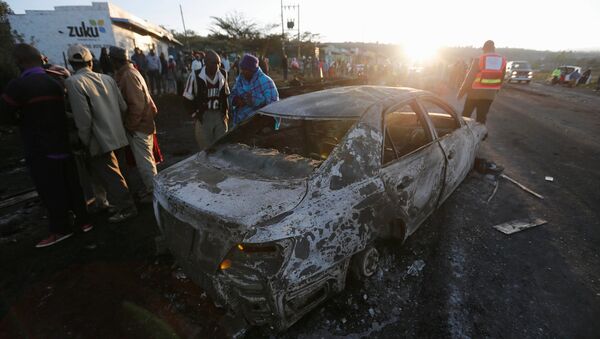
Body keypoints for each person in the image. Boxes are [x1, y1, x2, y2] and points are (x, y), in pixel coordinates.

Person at [0, 44, 91, 247]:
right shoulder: (55, 82)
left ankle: (61, 229)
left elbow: (4, 115)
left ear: (19, 63)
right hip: (63, 142)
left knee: (50, 189)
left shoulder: (18, 86)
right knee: (71, 184)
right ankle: (84, 221)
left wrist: (21, 118)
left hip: (40, 147)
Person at [64, 44, 137, 223]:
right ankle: (114, 202)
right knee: (119, 172)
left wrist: (83, 140)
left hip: (98, 139)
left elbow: (83, 117)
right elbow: (123, 107)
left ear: (71, 64)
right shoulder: (108, 79)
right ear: (90, 62)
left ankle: (127, 208)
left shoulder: (73, 82)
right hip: (117, 134)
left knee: (110, 175)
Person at [110, 46, 158, 201]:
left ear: (116, 61)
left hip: (139, 126)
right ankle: (152, 189)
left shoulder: (128, 75)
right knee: (147, 160)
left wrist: (131, 126)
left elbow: (136, 105)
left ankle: (153, 193)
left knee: (144, 162)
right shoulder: (131, 72)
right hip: (143, 123)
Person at [458, 40, 506, 124]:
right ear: (494, 48)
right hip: (489, 95)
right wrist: (495, 91)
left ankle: (464, 133)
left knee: (465, 116)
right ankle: (480, 135)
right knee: (481, 118)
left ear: (484, 49)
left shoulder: (479, 59)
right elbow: (501, 78)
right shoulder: (502, 61)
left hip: (474, 94)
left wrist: (461, 93)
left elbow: (469, 78)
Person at [191, 50, 229, 150]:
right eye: (214, 63)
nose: (217, 66)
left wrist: (225, 112)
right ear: (206, 63)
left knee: (222, 146)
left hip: (218, 114)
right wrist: (195, 114)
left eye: (218, 63)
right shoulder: (196, 76)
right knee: (206, 149)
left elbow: (225, 95)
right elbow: (187, 98)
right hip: (204, 115)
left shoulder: (222, 73)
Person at [230, 54, 279, 126]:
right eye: (242, 69)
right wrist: (236, 100)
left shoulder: (266, 82)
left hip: (258, 124)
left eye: (245, 69)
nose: (242, 72)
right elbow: (233, 94)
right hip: (239, 123)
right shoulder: (240, 80)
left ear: (252, 70)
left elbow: (273, 106)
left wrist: (254, 99)